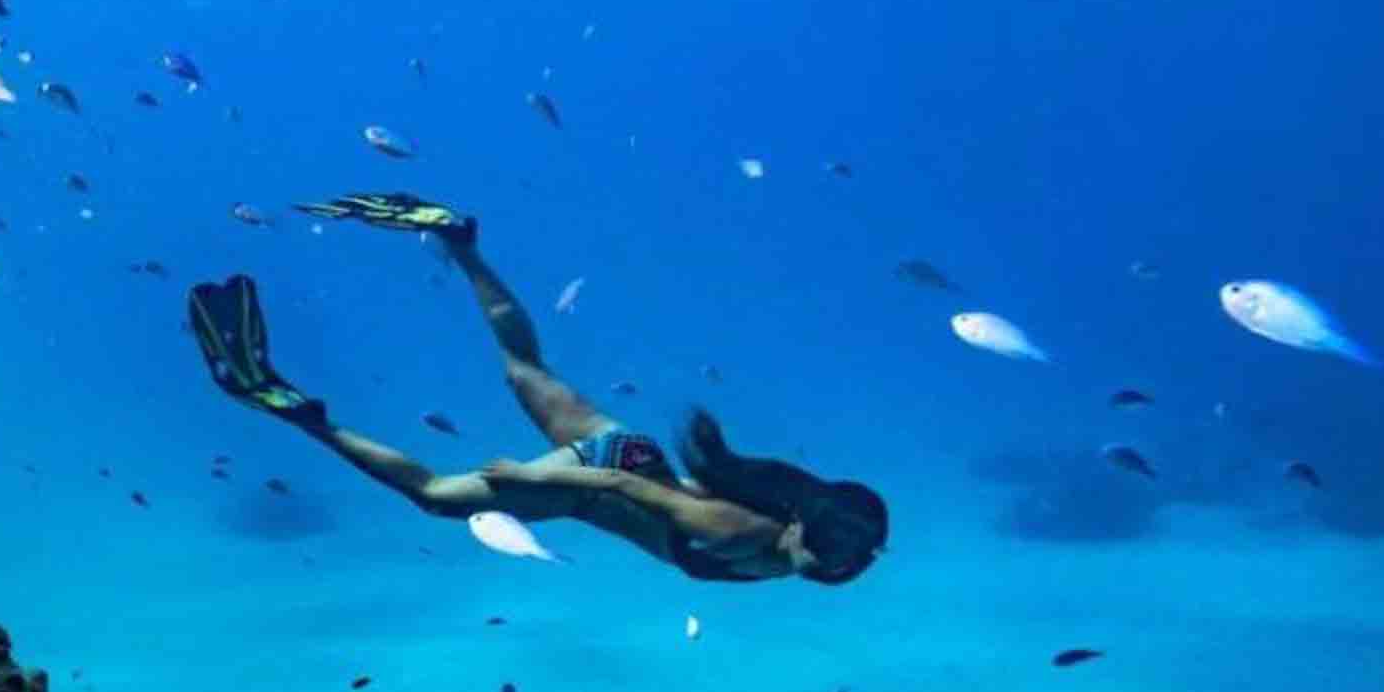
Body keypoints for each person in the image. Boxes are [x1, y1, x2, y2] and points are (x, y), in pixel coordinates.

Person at [186, 193, 888, 584]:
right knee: (434, 498)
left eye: (843, 564)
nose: (826, 570)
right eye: (818, 556)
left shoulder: (803, 505)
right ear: (797, 529)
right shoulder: (744, 531)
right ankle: (300, 413)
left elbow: (654, 483)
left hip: (629, 453)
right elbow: (626, 493)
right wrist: (528, 477)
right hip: (606, 479)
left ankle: (460, 240)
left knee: (524, 367)